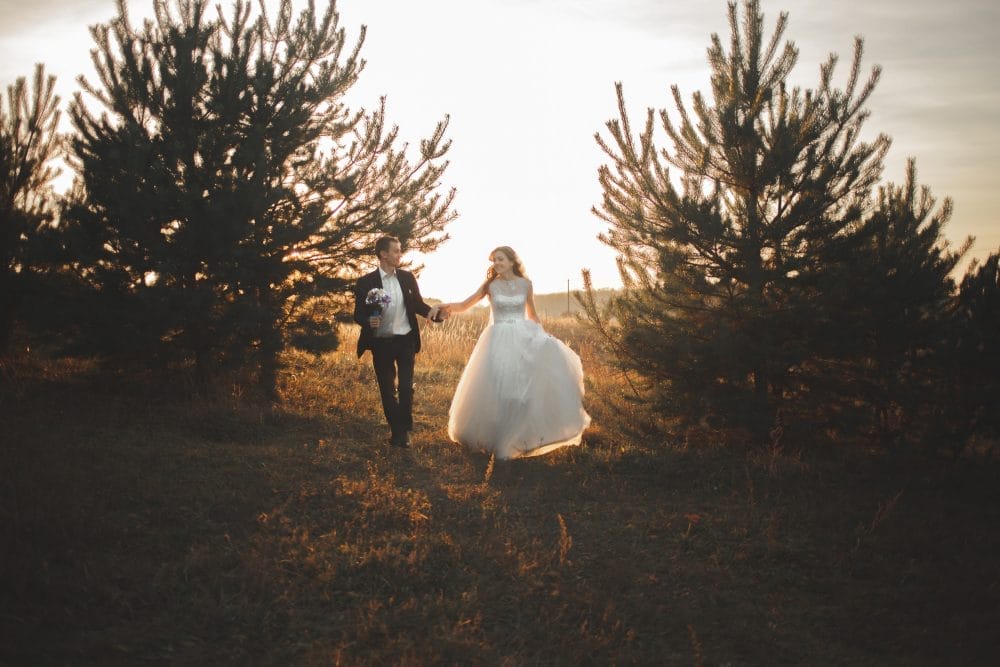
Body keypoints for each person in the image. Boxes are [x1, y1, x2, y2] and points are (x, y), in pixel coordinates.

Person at [439, 246, 590, 459]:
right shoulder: (490, 286)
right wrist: (444, 307)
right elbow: (465, 304)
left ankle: (515, 437)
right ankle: (494, 436)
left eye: (500, 259)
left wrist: (543, 337)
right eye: (494, 260)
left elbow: (532, 314)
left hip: (522, 337)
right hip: (496, 339)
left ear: (512, 261)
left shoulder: (526, 285)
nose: (496, 264)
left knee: (520, 390)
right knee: (498, 386)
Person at [353, 236, 444, 448]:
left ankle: (402, 431)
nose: (399, 254)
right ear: (383, 254)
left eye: (399, 250)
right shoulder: (365, 282)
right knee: (387, 388)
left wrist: (436, 314)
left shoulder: (407, 277)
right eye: (396, 251)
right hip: (381, 343)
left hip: (406, 341)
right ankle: (398, 430)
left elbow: (418, 305)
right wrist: (369, 320)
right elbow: (358, 314)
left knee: (405, 388)